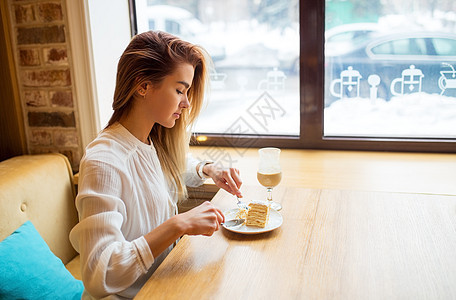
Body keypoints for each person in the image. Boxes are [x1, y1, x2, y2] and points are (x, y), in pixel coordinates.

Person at [69, 31, 243, 299]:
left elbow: (165, 169)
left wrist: (209, 169)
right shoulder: (103, 162)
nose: (185, 103)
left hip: (163, 286)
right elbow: (98, 274)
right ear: (142, 86)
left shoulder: (149, 141)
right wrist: (177, 225)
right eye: (179, 90)